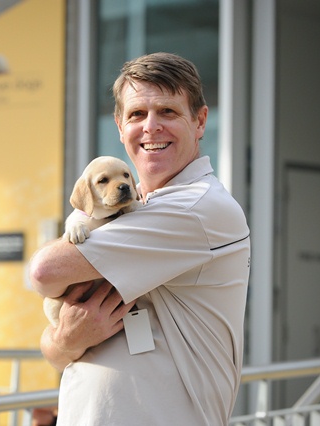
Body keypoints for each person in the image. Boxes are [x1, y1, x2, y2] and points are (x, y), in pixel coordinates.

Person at [28, 52, 250, 425]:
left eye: (167, 111)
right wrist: (65, 340)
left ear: (199, 121)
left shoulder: (195, 208)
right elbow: (55, 349)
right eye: (136, 114)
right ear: (119, 125)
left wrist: (63, 342)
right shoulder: (140, 211)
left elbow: (44, 272)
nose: (150, 127)